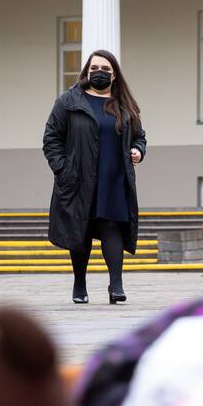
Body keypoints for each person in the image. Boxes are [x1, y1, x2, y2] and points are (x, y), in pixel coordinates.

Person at [43, 50, 146, 305]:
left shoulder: (124, 105)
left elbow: (138, 136)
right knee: (82, 230)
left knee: (113, 228)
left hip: (114, 178)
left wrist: (138, 150)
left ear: (114, 75)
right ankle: (80, 283)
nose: (99, 72)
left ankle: (116, 285)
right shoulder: (69, 101)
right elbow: (51, 138)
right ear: (87, 72)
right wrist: (63, 169)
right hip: (78, 178)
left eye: (105, 69)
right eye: (94, 68)